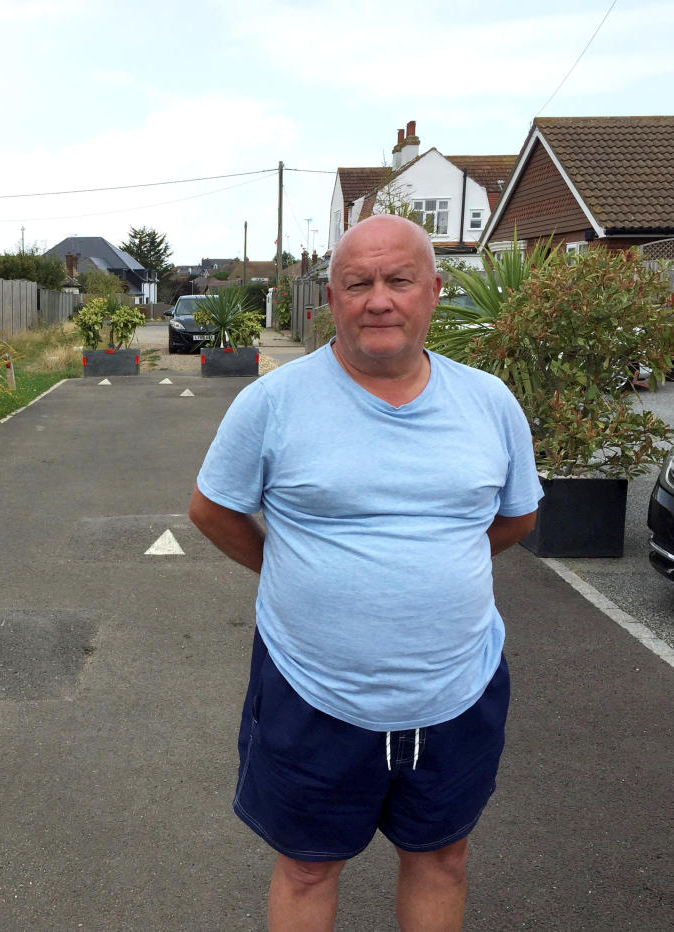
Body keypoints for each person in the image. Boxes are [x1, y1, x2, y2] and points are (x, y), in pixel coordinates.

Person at [189, 214, 541, 931]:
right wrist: (285, 567)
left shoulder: (490, 403)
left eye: (398, 280)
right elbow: (212, 510)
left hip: (457, 689)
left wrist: (440, 565)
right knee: (308, 867)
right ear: (332, 298)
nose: (378, 299)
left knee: (443, 859)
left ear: (434, 291)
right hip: (311, 690)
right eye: (358, 283)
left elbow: (515, 518)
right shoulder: (274, 403)